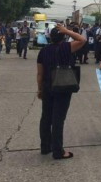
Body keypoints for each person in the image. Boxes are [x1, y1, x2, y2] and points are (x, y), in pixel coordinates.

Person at [37, 24, 86, 160]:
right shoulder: (66, 47)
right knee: (58, 119)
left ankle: (45, 147)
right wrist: (67, 30)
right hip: (63, 86)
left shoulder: (43, 51)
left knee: (46, 117)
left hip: (47, 86)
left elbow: (39, 73)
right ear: (64, 37)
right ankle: (58, 151)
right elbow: (82, 40)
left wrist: (39, 89)